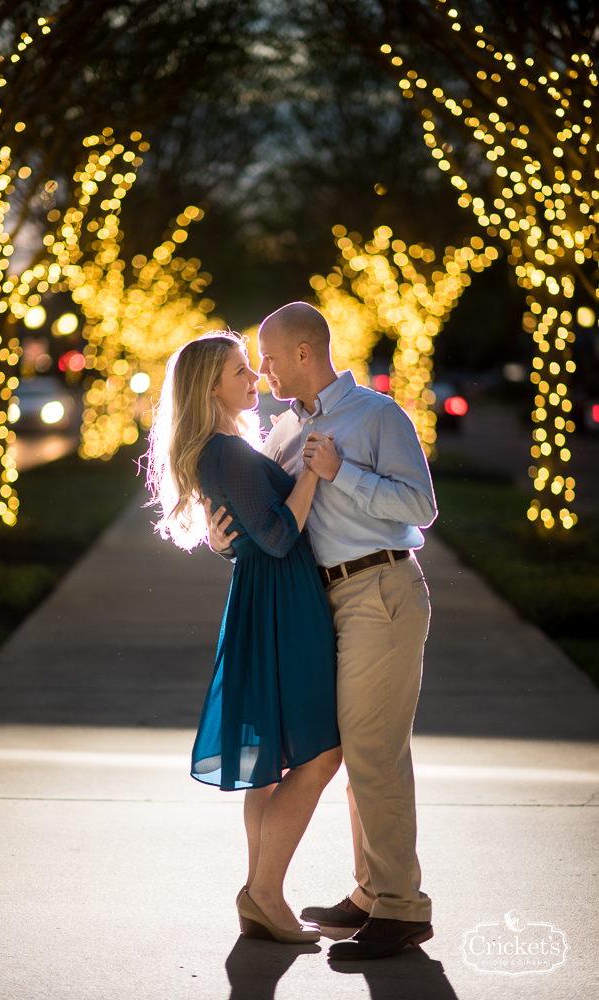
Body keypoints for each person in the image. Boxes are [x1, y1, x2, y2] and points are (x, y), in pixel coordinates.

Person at [208, 302, 437, 961]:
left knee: (373, 751)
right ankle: (370, 893)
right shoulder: (284, 430)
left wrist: (346, 474)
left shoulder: (376, 416)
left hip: (380, 590)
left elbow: (420, 506)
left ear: (305, 352)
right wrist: (227, 540)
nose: (263, 370)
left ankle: (401, 908)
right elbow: (269, 520)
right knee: (351, 749)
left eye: (270, 358)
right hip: (324, 605)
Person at [146, 331, 343, 946]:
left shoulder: (222, 447)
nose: (253, 377)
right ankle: (264, 892)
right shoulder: (227, 450)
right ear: (211, 387)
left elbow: (254, 532)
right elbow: (281, 537)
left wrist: (230, 540)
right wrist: (314, 473)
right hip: (282, 602)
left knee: (270, 767)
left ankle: (263, 894)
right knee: (319, 754)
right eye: (239, 371)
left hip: (266, 599)